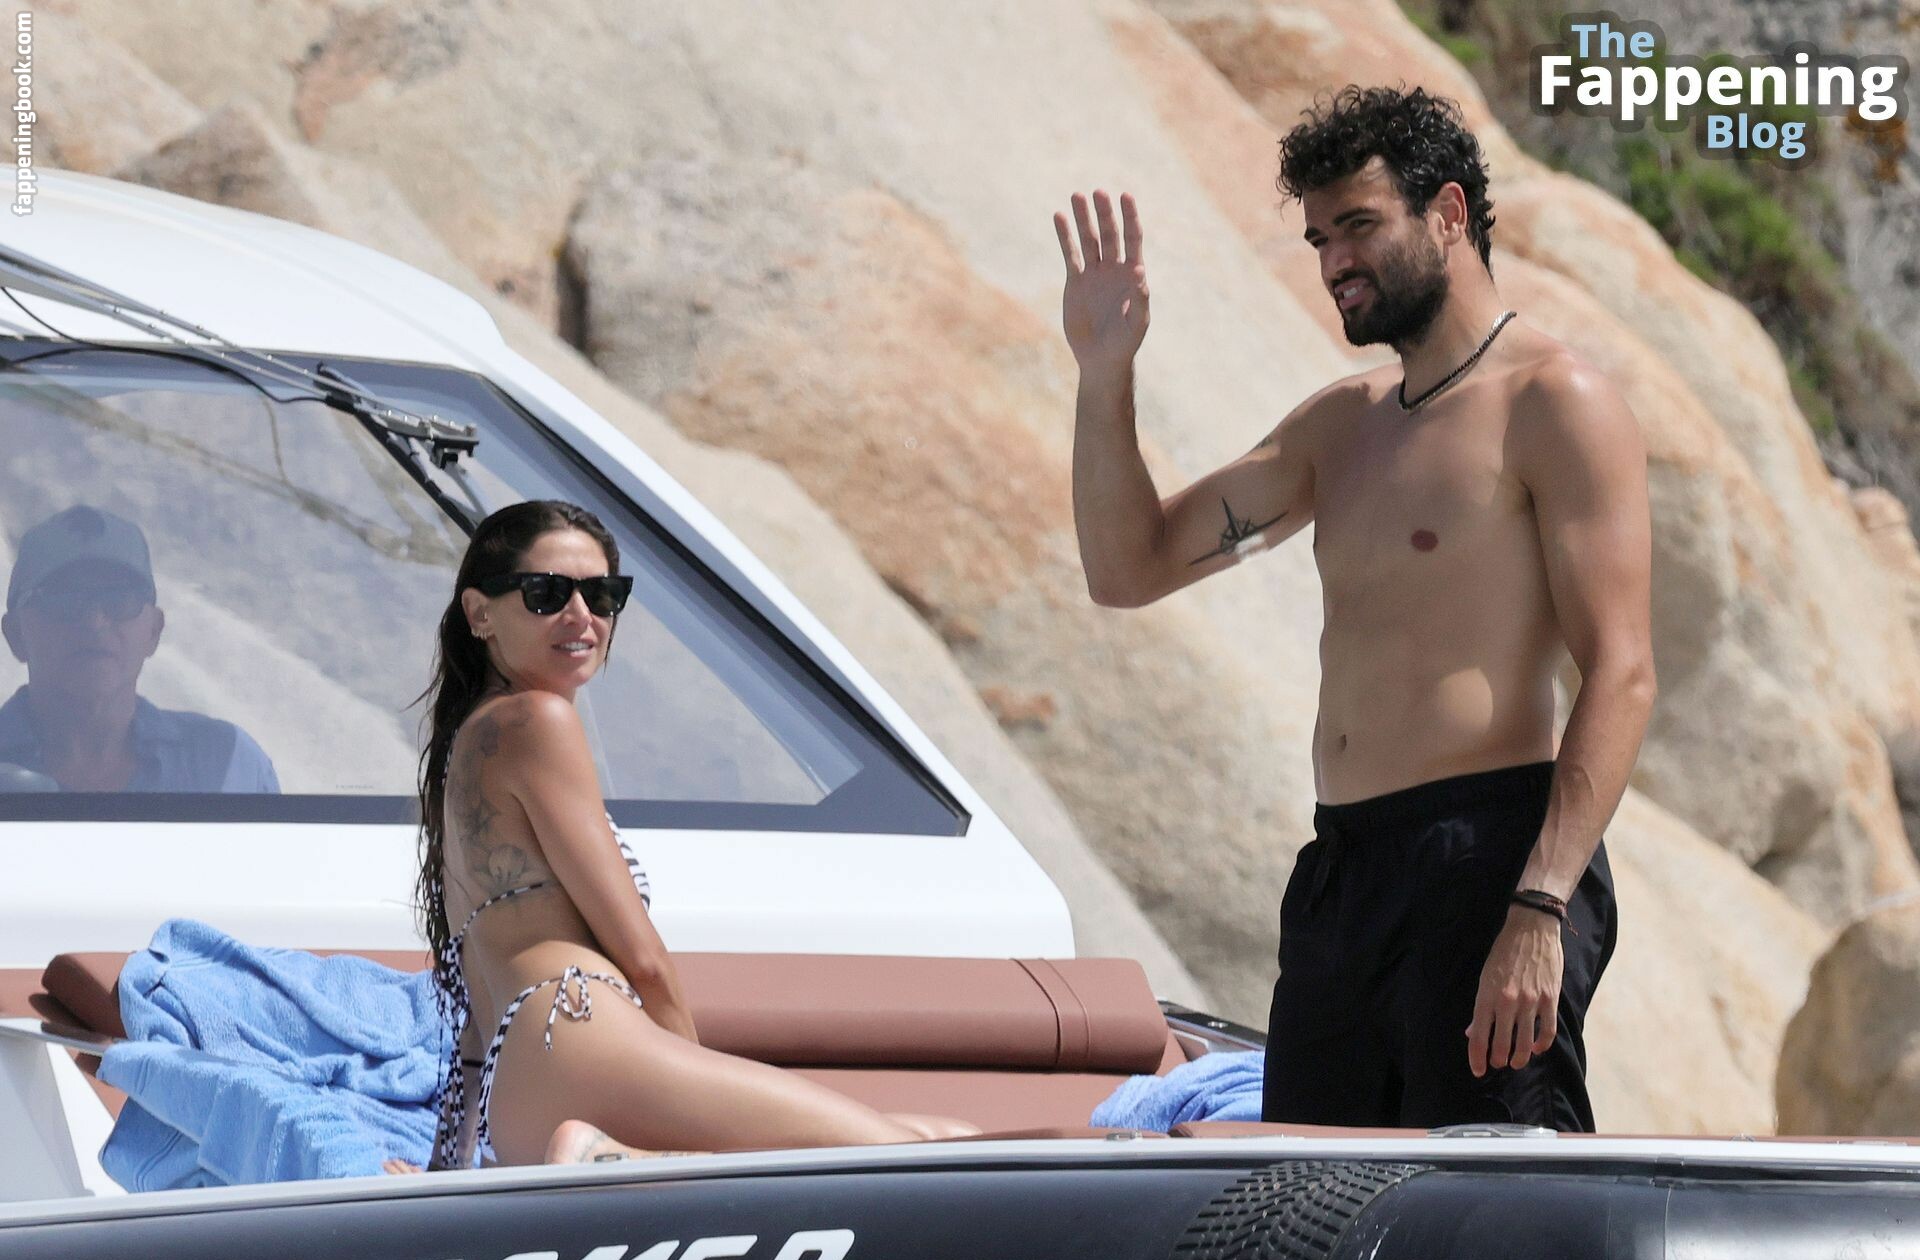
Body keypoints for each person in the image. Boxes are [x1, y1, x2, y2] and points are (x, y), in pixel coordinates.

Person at [1055, 85, 1654, 1131]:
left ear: (1449, 213)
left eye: (1360, 225)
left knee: (1482, 1207)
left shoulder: (1553, 401)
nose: (1335, 260)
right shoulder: (1342, 428)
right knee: (1312, 1193)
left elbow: (1624, 671)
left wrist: (1541, 902)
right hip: (1345, 873)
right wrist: (1106, 373)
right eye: (1320, 238)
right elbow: (1129, 568)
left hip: (1487, 865)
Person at [415, 499, 976, 1168]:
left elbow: (473, 1001)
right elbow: (642, 957)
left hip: (520, 1092)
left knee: (938, 1138)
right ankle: (647, 1160)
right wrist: (691, 1072)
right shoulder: (538, 721)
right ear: (480, 612)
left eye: (602, 595)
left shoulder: (464, 752)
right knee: (913, 1160)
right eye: (546, 593)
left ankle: (621, 1159)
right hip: (583, 1032)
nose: (581, 615)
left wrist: (446, 1167)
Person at [0, 504, 280, 794]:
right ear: (15, 634)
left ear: (154, 631)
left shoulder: (228, 764)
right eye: (64, 600)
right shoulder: (226, 767)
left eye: (120, 599)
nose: (95, 622)